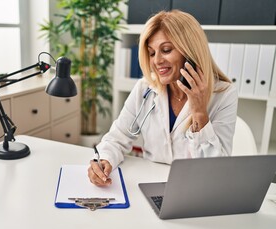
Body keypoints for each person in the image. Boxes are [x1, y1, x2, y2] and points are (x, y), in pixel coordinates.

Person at [88, 10, 238, 186]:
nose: (157, 61)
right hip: (151, 183)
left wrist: (199, 112)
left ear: (190, 53)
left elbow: (215, 171)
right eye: (152, 53)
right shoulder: (145, 88)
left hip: (195, 188)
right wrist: (104, 160)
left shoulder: (224, 94)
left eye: (166, 50)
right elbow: (117, 137)